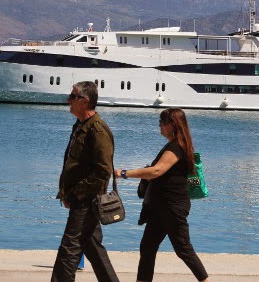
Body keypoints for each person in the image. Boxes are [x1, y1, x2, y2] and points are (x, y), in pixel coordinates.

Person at [115, 108, 210, 282]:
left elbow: (157, 170)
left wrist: (124, 173)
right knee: (148, 248)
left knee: (183, 249)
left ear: (172, 125)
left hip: (172, 208)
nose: (159, 125)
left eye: (162, 122)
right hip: (160, 209)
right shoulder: (174, 145)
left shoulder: (176, 147)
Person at [51, 81, 120, 282]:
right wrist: (66, 192)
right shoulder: (81, 126)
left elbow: (103, 171)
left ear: (85, 101)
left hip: (87, 201)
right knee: (92, 247)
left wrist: (77, 192)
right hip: (80, 198)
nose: (68, 100)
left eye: (73, 97)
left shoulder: (97, 130)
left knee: (68, 251)